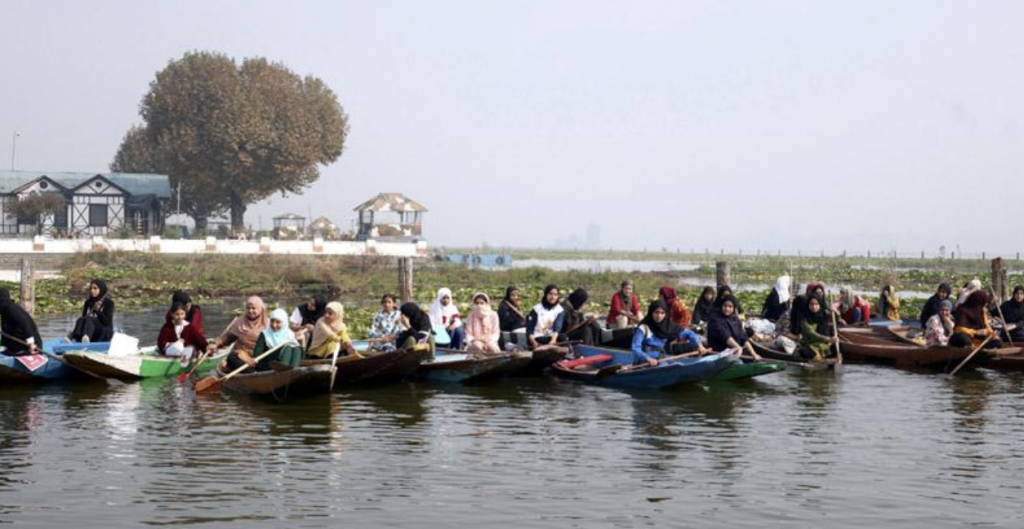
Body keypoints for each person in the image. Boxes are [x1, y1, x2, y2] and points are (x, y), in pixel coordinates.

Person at [224, 308, 303, 373]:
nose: (274, 325)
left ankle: (293, 373)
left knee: (297, 349)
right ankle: (284, 373)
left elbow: (302, 355)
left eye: (278, 322)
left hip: (283, 363)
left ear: (284, 323)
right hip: (268, 365)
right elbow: (257, 356)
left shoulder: (290, 334)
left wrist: (302, 341)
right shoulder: (265, 334)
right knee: (287, 349)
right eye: (272, 321)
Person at [631, 300, 706, 366]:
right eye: (656, 312)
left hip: (662, 357)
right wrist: (647, 359)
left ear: (665, 314)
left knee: (672, 364)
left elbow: (689, 333)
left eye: (662, 313)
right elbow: (635, 348)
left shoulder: (668, 326)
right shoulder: (643, 327)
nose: (659, 316)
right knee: (665, 366)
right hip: (646, 361)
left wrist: (699, 345)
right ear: (651, 313)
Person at [209, 296, 268, 369]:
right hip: (240, 358)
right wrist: (216, 343)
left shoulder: (267, 323)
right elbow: (228, 337)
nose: (250, 311)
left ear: (260, 309)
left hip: (258, 359)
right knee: (232, 357)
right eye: (248, 308)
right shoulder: (240, 322)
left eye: (253, 308)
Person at [707, 295, 761, 360]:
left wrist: (754, 354)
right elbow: (725, 336)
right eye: (725, 305)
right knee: (739, 363)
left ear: (734, 308)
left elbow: (743, 338)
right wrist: (738, 347)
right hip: (720, 351)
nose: (727, 309)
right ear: (721, 306)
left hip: (736, 349)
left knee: (753, 359)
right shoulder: (715, 319)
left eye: (730, 306)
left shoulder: (735, 319)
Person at [70, 279, 115, 343]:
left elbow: (107, 322)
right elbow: (84, 318)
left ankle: (86, 338)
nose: (92, 291)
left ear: (101, 289)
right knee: (81, 319)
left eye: (95, 288)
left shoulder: (109, 303)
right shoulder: (88, 302)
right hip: (91, 331)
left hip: (104, 332)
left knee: (89, 320)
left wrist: (98, 311)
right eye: (91, 288)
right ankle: (75, 338)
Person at [0, 287, 42, 356]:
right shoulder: (4, 310)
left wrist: (31, 343)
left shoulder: (12, 309)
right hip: (15, 342)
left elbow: (25, 325)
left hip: (28, 345)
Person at [799, 296, 837, 361]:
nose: (814, 307)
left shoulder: (824, 314)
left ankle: (825, 354)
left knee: (828, 325)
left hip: (825, 343)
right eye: (811, 304)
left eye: (816, 304)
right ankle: (818, 355)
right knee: (802, 351)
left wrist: (835, 312)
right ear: (808, 305)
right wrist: (828, 338)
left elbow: (837, 319)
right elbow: (811, 333)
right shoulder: (804, 318)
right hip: (810, 343)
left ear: (820, 304)